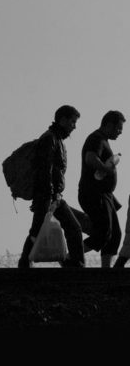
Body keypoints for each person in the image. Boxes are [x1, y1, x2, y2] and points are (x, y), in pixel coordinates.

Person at [18, 105, 85, 268]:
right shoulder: (50, 139)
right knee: (41, 229)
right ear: (62, 120)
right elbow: (45, 169)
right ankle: (75, 264)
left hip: (52, 194)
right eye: (72, 122)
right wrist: (51, 196)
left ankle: (75, 263)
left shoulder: (56, 139)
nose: (74, 126)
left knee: (69, 227)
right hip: (48, 194)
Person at [78, 110, 125, 268]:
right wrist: (106, 168)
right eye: (118, 128)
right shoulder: (96, 139)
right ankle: (71, 256)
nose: (120, 132)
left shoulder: (103, 140)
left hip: (105, 195)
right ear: (109, 124)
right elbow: (90, 158)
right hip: (94, 193)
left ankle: (106, 270)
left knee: (115, 235)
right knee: (104, 232)